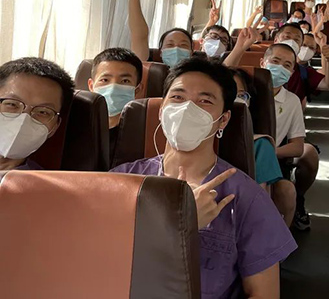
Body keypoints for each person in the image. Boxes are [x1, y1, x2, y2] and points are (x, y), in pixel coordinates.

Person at [111, 58, 296, 298]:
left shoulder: (246, 198)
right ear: (162, 111)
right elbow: (97, 263)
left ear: (223, 120)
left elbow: (264, 295)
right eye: (178, 97)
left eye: (205, 101)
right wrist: (180, 225)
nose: (188, 108)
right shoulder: (120, 182)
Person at [260, 43, 318, 231]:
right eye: (275, 61)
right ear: (263, 63)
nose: (279, 68)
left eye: (286, 65)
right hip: (239, 160)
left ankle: (279, 239)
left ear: (292, 73)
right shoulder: (247, 92)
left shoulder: (292, 101)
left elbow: (297, 147)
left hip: (271, 158)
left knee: (287, 191)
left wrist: (269, 152)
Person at [229, 67, 297, 227]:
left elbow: (259, 200)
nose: (236, 101)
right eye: (230, 95)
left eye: (241, 95)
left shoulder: (260, 145)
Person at [0, 57, 74, 171]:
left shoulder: (41, 182)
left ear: (54, 127)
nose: (24, 119)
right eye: (12, 104)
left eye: (43, 112)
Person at [128, 0, 194, 67]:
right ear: (161, 52)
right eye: (170, 45)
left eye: (183, 45)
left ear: (191, 52)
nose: (176, 49)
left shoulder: (201, 74)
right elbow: (140, 35)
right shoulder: (149, 72)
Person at [87, 48, 143, 158]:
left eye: (125, 81)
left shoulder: (144, 133)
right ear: (91, 86)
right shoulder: (76, 127)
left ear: (137, 90)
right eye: (105, 80)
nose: (113, 87)